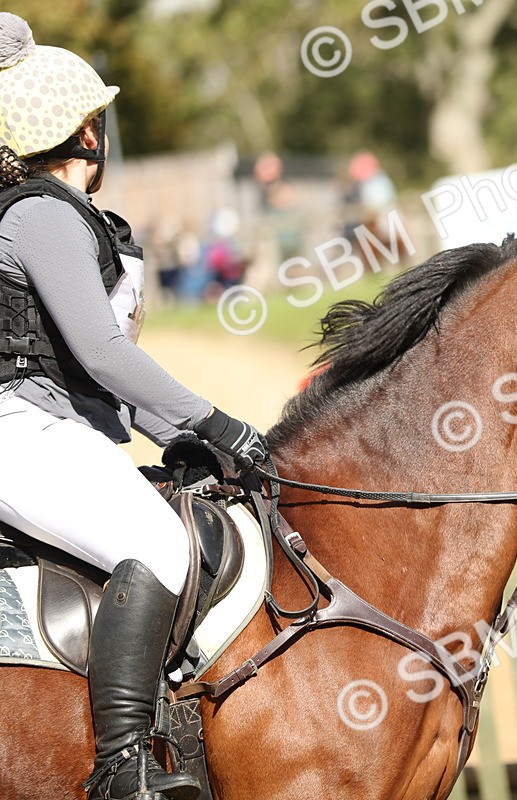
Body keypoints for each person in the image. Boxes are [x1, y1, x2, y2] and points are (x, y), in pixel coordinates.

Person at [0, 13, 267, 800]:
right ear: (88, 131)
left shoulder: (59, 215)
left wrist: (181, 436)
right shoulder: (41, 213)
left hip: (45, 426)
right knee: (159, 542)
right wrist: (220, 424)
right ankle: (121, 768)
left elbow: (93, 379)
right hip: (14, 429)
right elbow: (103, 353)